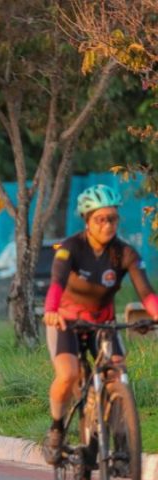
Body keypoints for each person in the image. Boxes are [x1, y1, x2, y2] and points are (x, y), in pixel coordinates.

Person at [42, 184, 158, 464]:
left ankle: (121, 444)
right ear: (87, 220)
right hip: (66, 322)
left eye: (113, 219)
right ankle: (56, 430)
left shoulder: (125, 253)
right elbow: (56, 283)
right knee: (68, 375)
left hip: (102, 323)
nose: (108, 225)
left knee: (117, 371)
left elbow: (146, 293)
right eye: (100, 219)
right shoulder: (71, 248)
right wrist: (51, 310)